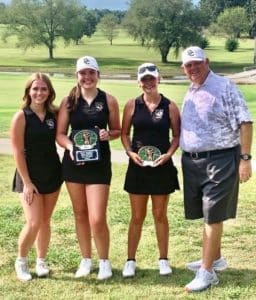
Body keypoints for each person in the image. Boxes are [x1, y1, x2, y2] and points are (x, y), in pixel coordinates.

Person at [180, 46, 253, 292]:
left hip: (220, 159)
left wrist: (245, 159)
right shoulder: (192, 89)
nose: (193, 68)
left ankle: (207, 272)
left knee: (213, 214)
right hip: (194, 161)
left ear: (207, 61)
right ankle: (215, 258)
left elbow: (245, 121)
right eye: (188, 65)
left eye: (197, 63)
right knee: (206, 211)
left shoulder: (224, 86)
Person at [56, 56, 121, 280]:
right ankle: (86, 259)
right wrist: (71, 147)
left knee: (97, 217)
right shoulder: (69, 101)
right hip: (74, 163)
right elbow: (60, 134)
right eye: (83, 73)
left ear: (98, 75)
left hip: (99, 165)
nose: (87, 77)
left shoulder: (109, 100)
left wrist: (107, 134)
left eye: (91, 73)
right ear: (77, 76)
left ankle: (104, 261)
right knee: (80, 214)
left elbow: (117, 130)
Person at [121, 63, 180, 278]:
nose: (148, 82)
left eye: (151, 78)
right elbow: (125, 134)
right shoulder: (131, 105)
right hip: (137, 166)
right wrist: (129, 153)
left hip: (161, 167)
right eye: (144, 79)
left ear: (159, 79)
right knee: (137, 216)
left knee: (160, 215)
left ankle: (163, 259)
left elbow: (176, 136)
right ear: (139, 81)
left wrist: (169, 154)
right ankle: (130, 261)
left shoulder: (170, 106)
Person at [11, 73, 63, 281]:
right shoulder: (21, 116)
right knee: (33, 221)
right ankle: (21, 261)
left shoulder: (54, 114)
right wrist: (28, 182)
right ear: (28, 91)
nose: (39, 93)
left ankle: (41, 261)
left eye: (43, 89)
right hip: (29, 176)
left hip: (52, 173)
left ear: (49, 92)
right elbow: (17, 151)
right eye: (35, 89)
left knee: (45, 221)